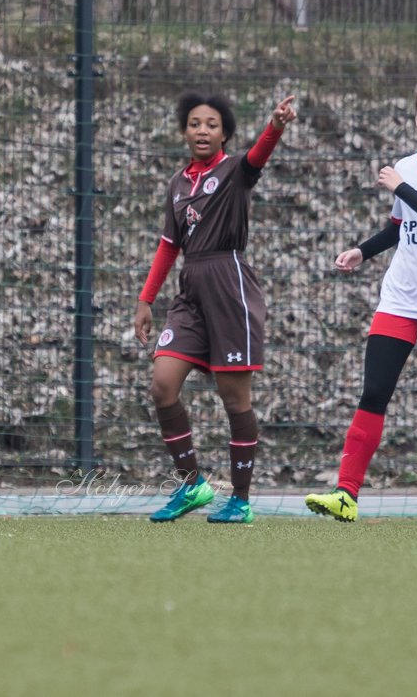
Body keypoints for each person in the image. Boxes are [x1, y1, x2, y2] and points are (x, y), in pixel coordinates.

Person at [134, 91, 298, 525]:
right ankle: (193, 486)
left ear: (224, 132)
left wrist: (276, 125)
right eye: (194, 123)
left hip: (230, 288)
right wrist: (146, 299)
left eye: (211, 124)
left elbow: (258, 156)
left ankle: (240, 500)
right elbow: (170, 246)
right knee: (162, 384)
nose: (202, 130)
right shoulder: (177, 183)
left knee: (234, 398)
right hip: (190, 292)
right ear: (184, 131)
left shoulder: (235, 172)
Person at [306, 80, 417, 526]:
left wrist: (401, 185)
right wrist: (362, 250)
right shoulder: (407, 165)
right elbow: (400, 227)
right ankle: (346, 494)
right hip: (400, 299)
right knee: (374, 391)